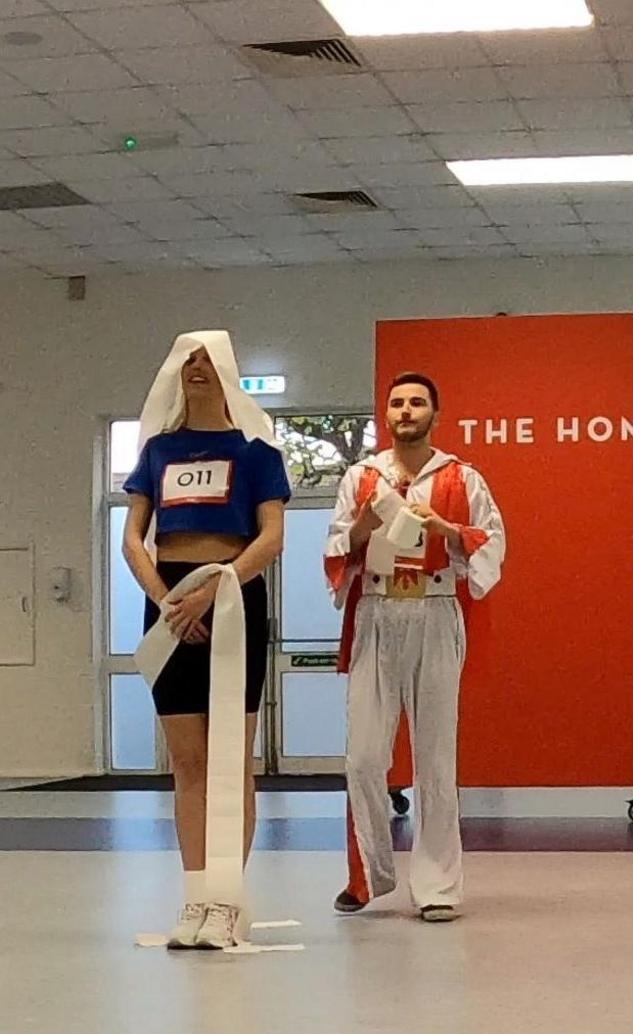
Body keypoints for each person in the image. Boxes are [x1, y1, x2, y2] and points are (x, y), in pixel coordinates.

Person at [122, 331, 289, 949]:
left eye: (208, 362)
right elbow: (134, 538)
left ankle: (227, 899)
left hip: (232, 598)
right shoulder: (159, 451)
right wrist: (168, 601)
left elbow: (271, 537)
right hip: (168, 604)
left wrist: (217, 590)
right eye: (186, 361)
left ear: (227, 374)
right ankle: (195, 898)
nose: (196, 370)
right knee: (188, 763)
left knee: (229, 761)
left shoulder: (256, 449)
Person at [326, 373, 505, 923]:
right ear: (387, 412)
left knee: (435, 759)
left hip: (434, 609)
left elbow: (493, 541)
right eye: (397, 402)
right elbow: (336, 546)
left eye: (417, 402)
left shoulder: (462, 476)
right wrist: (361, 526)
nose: (406, 410)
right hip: (376, 613)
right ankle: (372, 875)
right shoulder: (362, 476)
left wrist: (447, 528)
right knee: (364, 758)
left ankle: (437, 887)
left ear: (435, 412)